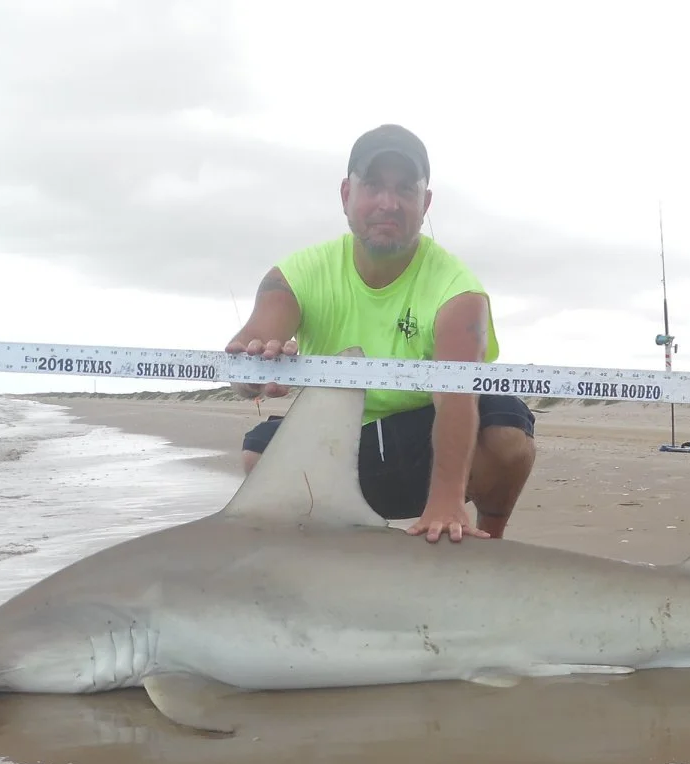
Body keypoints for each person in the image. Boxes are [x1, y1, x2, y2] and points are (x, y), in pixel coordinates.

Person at [225, 124, 536, 542]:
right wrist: (252, 370)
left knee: (508, 433)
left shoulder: (460, 292)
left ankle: (486, 545)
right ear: (346, 195)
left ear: (425, 203)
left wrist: (446, 499)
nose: (388, 203)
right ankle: (333, 541)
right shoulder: (297, 275)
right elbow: (252, 344)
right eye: (373, 185)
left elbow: (457, 394)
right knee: (258, 451)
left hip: (428, 438)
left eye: (405, 189)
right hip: (345, 442)